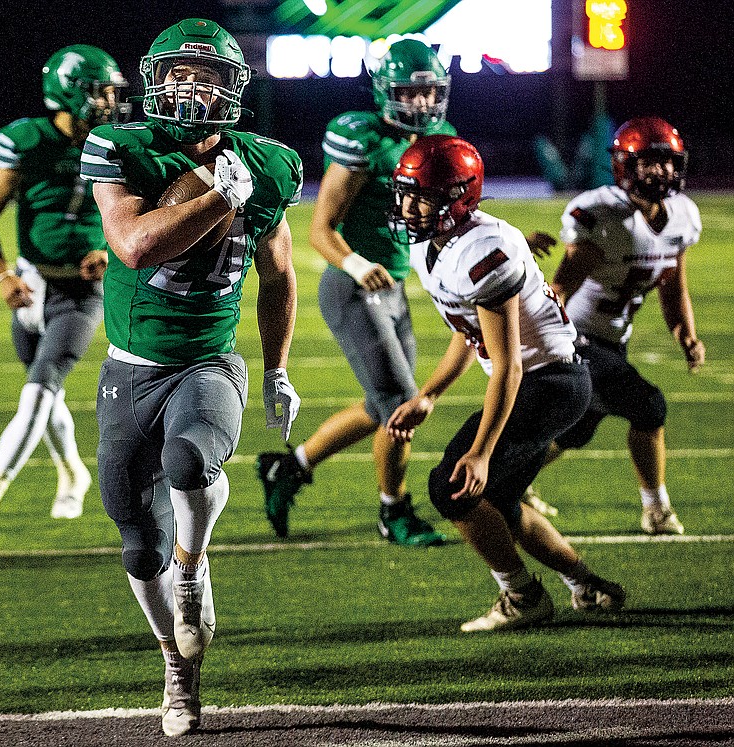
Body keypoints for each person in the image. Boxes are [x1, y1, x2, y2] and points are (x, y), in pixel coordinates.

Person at [80, 19, 302, 737]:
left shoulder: (269, 165)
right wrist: (218, 196)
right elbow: (136, 245)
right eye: (178, 74)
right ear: (155, 80)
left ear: (232, 91)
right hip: (131, 368)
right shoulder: (121, 147)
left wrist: (278, 367)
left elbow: (279, 275)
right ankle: (175, 662)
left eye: (206, 77)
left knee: (189, 459)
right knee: (134, 537)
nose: (189, 88)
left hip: (208, 361)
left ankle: (193, 568)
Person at [386, 134, 625, 632]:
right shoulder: (437, 247)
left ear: (460, 198)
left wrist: (482, 450)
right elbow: (467, 333)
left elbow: (510, 363)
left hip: (551, 382)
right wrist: (429, 394)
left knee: (452, 488)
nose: (409, 207)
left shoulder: (481, 251)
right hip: (545, 379)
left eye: (423, 197)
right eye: (405, 193)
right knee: (500, 502)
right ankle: (584, 583)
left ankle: (522, 597)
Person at [256, 39, 454, 546]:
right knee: (401, 407)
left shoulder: (440, 138)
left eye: (431, 93)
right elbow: (321, 228)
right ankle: (395, 512)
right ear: (385, 92)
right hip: (353, 286)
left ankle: (291, 467)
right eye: (411, 93)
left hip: (395, 285)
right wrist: (356, 262)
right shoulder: (362, 139)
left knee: (379, 405)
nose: (423, 105)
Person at [0, 45, 129, 530]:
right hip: (33, 285)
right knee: (46, 393)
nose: (109, 100)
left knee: (41, 388)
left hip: (82, 293)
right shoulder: (29, 140)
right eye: (101, 91)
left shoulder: (118, 143)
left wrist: (112, 251)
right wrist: (3, 274)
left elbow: (138, 216)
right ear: (71, 92)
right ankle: (72, 473)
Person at [529, 117, 703, 535]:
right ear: (626, 164)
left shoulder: (681, 216)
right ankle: (657, 510)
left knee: (575, 432)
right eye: (648, 161)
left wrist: (686, 334)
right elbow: (560, 288)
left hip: (612, 339)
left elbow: (673, 286)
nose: (659, 171)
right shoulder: (605, 214)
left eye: (666, 162)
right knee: (648, 406)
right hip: (578, 336)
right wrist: (552, 345)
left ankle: (509, 479)